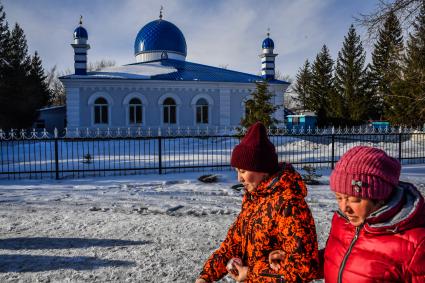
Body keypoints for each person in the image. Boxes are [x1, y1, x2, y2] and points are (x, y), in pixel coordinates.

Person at [270, 146, 425, 282]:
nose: (344, 208)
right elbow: (337, 261)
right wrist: (294, 261)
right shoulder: (342, 222)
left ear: (380, 198)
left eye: (354, 200)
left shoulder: (416, 244)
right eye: (339, 198)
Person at [195, 122, 320, 283]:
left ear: (262, 169)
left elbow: (304, 267)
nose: (239, 179)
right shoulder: (253, 199)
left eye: (243, 171)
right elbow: (233, 243)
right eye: (237, 171)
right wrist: (205, 277)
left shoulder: (289, 204)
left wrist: (251, 273)